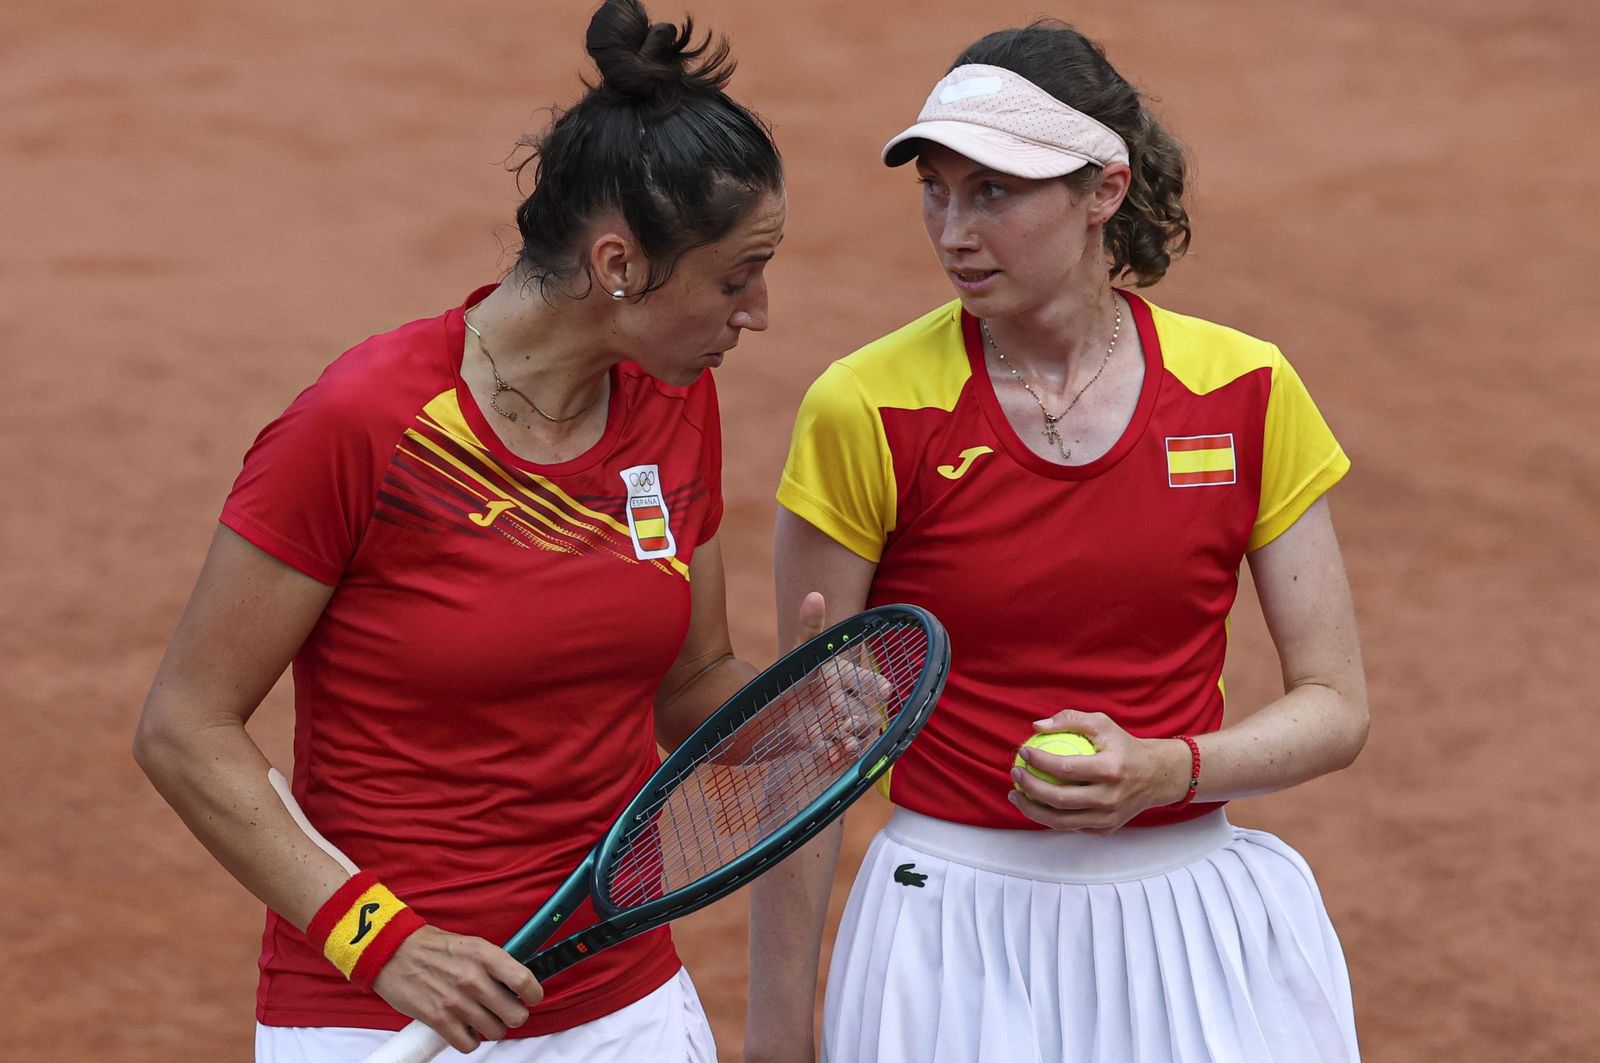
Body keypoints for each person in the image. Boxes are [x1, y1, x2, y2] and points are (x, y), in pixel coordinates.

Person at [133, 2, 789, 1059]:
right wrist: (383, 940)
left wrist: (793, 713)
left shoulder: (674, 407)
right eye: (735, 275)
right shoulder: (363, 424)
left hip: (617, 1002)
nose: (756, 311)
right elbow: (185, 725)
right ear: (619, 264)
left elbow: (690, 681)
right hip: (380, 1007)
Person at [746, 19, 1368, 1063]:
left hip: (1188, 918)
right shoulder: (865, 407)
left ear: (1103, 191)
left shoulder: (1245, 389)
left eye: (994, 191)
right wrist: (774, 1043)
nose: (954, 231)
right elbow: (810, 760)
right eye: (936, 190)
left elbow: (1336, 704)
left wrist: (1170, 769)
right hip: (948, 927)